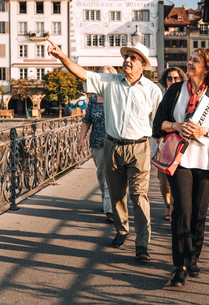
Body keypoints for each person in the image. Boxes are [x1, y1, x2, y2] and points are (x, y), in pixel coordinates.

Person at [47, 39, 162, 263]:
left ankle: (142, 243)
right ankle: (121, 230)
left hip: (139, 147)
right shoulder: (109, 81)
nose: (127, 61)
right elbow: (82, 73)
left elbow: (159, 122)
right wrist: (61, 56)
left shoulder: (152, 91)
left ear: (143, 65)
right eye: (126, 57)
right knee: (117, 194)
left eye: (133, 58)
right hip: (112, 145)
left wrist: (158, 149)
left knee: (139, 197)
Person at [153, 49, 209, 288]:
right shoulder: (175, 91)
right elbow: (158, 124)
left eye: (195, 61)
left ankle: (193, 256)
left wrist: (203, 131)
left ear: (208, 68)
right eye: (190, 59)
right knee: (181, 211)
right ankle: (180, 266)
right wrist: (176, 125)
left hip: (206, 161)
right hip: (180, 160)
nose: (188, 63)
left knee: (198, 214)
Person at [77, 66, 117, 223]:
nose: (104, 79)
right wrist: (81, 140)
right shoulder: (93, 99)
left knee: (110, 176)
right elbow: (87, 120)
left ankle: (110, 209)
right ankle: (106, 201)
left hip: (114, 142)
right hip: (97, 142)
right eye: (101, 76)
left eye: (107, 76)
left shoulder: (117, 97)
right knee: (101, 174)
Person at [156, 67, 188, 220]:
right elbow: (154, 121)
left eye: (176, 78)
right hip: (163, 145)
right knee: (163, 182)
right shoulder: (160, 97)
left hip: (181, 146)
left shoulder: (186, 98)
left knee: (178, 181)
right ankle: (168, 205)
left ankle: (175, 210)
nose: (173, 81)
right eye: (170, 78)